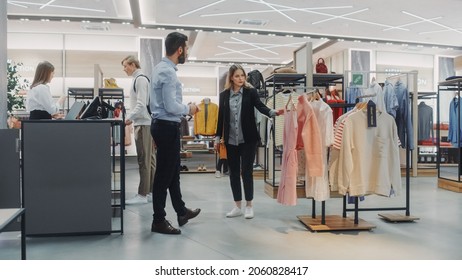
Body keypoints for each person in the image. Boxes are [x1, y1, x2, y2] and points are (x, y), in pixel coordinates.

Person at [149, 32, 201, 235]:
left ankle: (181, 211)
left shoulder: (159, 68)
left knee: (172, 173)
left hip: (162, 125)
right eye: (186, 49)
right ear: (180, 49)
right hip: (166, 126)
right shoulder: (168, 73)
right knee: (164, 175)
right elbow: (171, 106)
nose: (186, 52)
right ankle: (158, 220)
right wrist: (189, 109)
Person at [215, 64, 281, 219]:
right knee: (233, 173)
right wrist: (218, 137)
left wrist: (271, 112)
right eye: (237, 76)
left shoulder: (250, 92)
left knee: (246, 172)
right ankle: (237, 206)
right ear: (231, 77)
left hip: (248, 139)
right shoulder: (224, 95)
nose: (240, 79)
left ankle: (249, 205)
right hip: (231, 140)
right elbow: (221, 117)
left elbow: (259, 106)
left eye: (242, 76)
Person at [122, 55, 156, 205]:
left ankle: (142, 194)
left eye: (125, 66)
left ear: (133, 65)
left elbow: (141, 104)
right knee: (150, 160)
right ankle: (150, 192)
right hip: (144, 123)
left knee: (144, 160)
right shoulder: (139, 79)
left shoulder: (140, 79)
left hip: (143, 124)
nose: (124, 69)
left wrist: (129, 118)